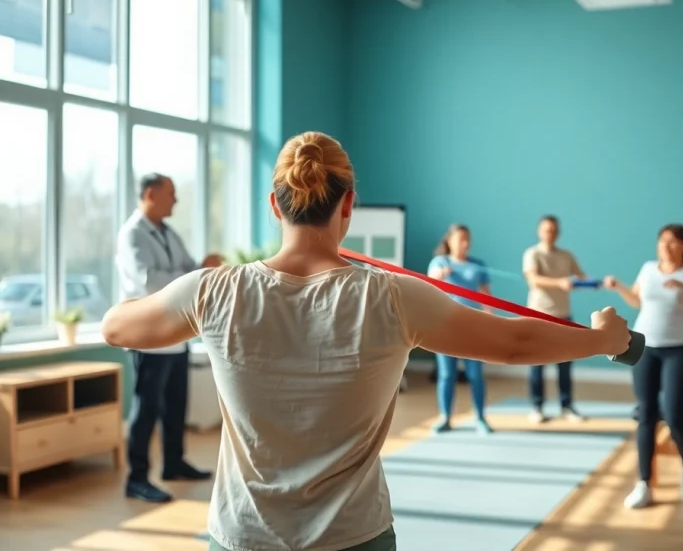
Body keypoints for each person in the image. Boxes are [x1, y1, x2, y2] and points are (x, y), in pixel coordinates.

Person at [101, 131, 632, 551]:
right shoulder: (395, 297)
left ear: (274, 205)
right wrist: (601, 337)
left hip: (243, 538)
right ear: (348, 204)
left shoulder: (215, 292)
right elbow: (514, 344)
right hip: (352, 539)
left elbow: (115, 326)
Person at [602, 224, 683, 509]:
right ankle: (644, 484)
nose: (666, 247)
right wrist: (620, 287)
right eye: (662, 241)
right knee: (646, 414)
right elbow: (638, 301)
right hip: (644, 347)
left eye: (673, 242)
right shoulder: (648, 269)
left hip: (679, 351)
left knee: (674, 415)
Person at [115, 173, 223, 503]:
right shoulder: (132, 234)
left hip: (177, 335)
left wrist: (204, 267)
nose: (175, 200)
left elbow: (187, 268)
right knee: (146, 410)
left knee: (176, 406)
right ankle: (136, 478)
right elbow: (150, 281)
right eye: (171, 194)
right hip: (148, 338)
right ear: (150, 194)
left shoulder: (167, 232)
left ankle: (173, 463)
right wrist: (193, 274)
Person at [522, 215, 589, 423]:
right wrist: (560, 282)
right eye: (546, 229)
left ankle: (567, 406)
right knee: (536, 364)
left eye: (553, 230)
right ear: (539, 231)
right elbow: (533, 279)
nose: (550, 233)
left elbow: (580, 277)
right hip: (538, 315)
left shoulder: (566, 255)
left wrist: (592, 282)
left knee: (565, 365)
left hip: (563, 316)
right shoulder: (532, 254)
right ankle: (537, 406)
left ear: (558, 232)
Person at [427, 224, 493, 435]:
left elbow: (486, 297)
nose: (465, 243)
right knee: (447, 375)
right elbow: (429, 283)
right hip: (444, 328)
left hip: (474, 328)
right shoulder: (440, 262)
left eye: (467, 239)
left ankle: (480, 417)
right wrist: (442, 273)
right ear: (450, 241)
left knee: (476, 375)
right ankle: (445, 417)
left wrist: (491, 321)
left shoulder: (478, 265)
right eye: (460, 239)